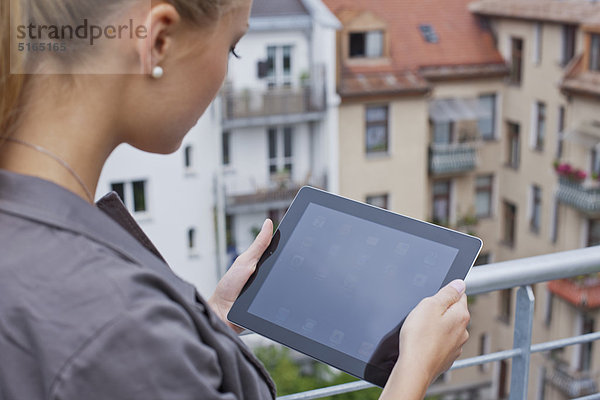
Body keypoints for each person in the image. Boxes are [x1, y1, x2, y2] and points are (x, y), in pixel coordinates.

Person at [0, 0, 470, 398]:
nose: (226, 72)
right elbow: (118, 350)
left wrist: (210, 321)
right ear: (158, 39)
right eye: (233, 47)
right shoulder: (116, 322)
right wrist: (412, 373)